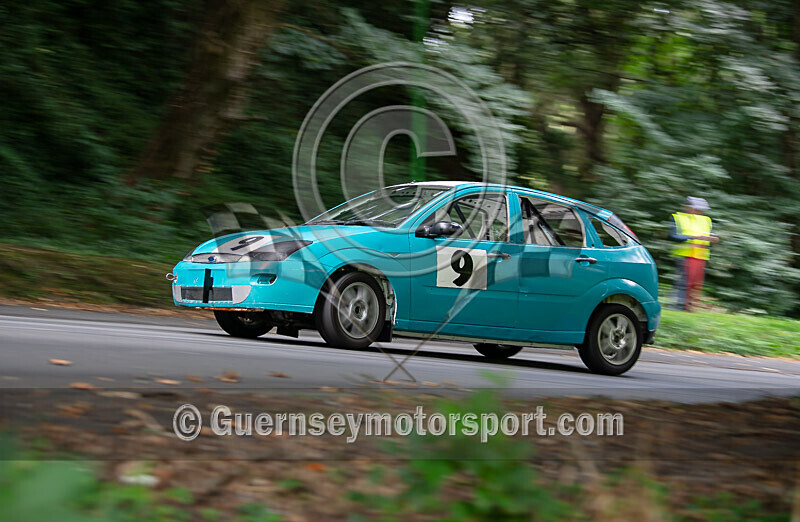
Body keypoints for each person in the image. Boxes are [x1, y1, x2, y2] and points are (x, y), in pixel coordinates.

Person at [670, 197, 718, 311]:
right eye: (696, 209)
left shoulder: (706, 220)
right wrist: (693, 237)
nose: (699, 212)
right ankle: (678, 307)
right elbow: (673, 236)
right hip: (684, 255)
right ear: (687, 208)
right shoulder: (678, 218)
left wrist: (713, 238)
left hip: (700, 257)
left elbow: (710, 234)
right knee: (683, 283)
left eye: (701, 210)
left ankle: (690, 307)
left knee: (695, 284)